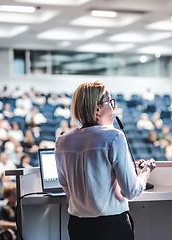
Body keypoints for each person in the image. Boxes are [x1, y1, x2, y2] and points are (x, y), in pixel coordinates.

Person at [55, 81, 154, 240]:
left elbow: (65, 184)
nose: (114, 108)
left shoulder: (62, 142)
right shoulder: (114, 136)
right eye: (110, 102)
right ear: (97, 108)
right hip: (111, 226)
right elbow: (131, 191)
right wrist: (145, 173)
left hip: (77, 226)